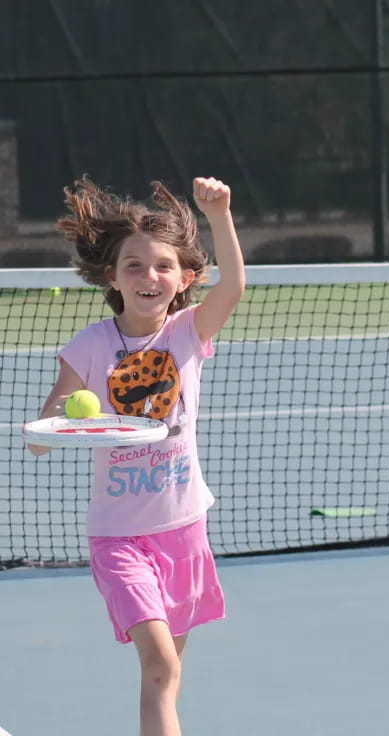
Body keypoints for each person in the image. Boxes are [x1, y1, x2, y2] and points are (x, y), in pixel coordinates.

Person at [27, 175, 245, 736]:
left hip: (185, 532)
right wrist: (77, 424)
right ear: (111, 277)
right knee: (160, 662)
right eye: (134, 266)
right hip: (120, 538)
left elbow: (233, 288)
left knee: (164, 679)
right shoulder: (90, 346)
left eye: (163, 266)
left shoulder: (188, 333)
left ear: (184, 279)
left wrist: (219, 215)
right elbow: (39, 434)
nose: (149, 277)